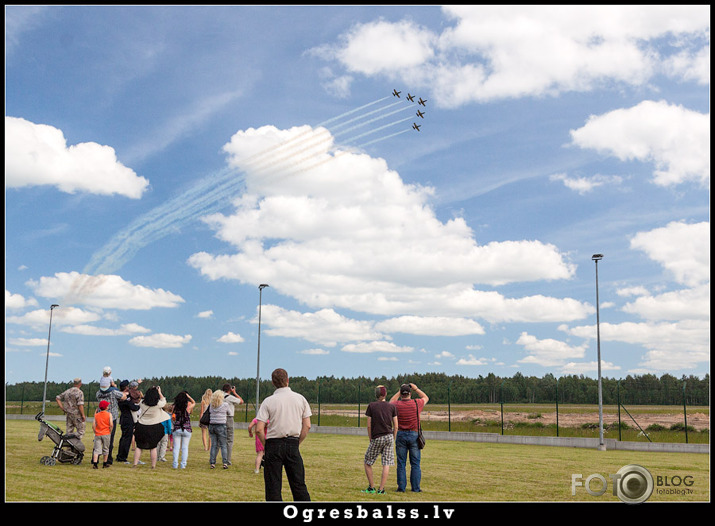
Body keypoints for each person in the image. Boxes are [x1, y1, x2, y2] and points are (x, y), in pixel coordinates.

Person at [255, 368, 312, 501]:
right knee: (298, 485)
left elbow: (259, 429)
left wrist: (266, 444)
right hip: (292, 442)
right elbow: (307, 425)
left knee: (273, 487)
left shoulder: (268, 401)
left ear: (273, 383)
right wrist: (297, 442)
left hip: (273, 444)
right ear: (287, 380)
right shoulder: (300, 399)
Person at [390, 383, 429, 493]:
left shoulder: (396, 404)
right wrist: (416, 388)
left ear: (401, 394)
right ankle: (416, 488)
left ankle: (401, 488)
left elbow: (391, 401)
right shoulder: (417, 403)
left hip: (401, 434)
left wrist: (400, 390)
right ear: (410, 394)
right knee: (415, 463)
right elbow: (426, 397)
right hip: (414, 435)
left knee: (401, 463)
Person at [363, 385, 398, 494]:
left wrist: (370, 438)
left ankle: (371, 487)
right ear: (385, 394)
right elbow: (396, 426)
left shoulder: (371, 406)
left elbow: (369, 425)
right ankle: (381, 489)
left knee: (367, 462)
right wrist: (393, 438)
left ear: (376, 394)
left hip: (377, 437)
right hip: (389, 437)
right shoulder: (392, 407)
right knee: (386, 463)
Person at [133, 386, 169, 468]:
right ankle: (153, 465)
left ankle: (135, 464)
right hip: (153, 427)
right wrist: (160, 392)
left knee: (139, 447)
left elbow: (141, 400)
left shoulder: (142, 403)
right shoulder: (158, 404)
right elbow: (164, 401)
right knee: (153, 447)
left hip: (141, 426)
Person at [96, 376, 127, 465]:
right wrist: (115, 386)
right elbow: (123, 396)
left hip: (100, 417)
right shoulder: (113, 392)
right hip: (111, 417)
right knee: (110, 439)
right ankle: (108, 459)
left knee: (98, 438)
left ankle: (95, 458)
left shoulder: (98, 393)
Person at [116, 380, 140, 464]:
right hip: (128, 419)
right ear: (126, 387)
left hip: (123, 418)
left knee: (123, 438)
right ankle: (122, 457)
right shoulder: (125, 398)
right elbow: (132, 407)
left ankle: (120, 455)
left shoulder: (119, 396)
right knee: (127, 438)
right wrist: (138, 407)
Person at [171, 391, 196, 469]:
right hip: (187, 428)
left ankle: (175, 464)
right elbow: (194, 402)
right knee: (185, 447)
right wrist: (189, 397)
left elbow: (172, 417)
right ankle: (183, 464)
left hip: (177, 428)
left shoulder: (174, 407)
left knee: (176, 447)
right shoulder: (188, 406)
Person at [221, 383, 244, 466]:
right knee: (229, 440)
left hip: (220, 418)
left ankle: (212, 459)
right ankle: (227, 460)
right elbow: (241, 401)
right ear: (229, 390)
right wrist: (234, 392)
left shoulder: (219, 397)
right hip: (229, 418)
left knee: (218, 440)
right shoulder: (230, 397)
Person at [208, 389, 231, 469]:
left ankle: (212, 463)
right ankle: (225, 462)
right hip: (221, 425)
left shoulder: (211, 405)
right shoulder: (225, 405)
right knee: (223, 445)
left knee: (214, 445)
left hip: (212, 425)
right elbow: (230, 413)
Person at [92, 400, 113, 468]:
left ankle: (95, 463)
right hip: (106, 433)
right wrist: (110, 430)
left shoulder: (96, 415)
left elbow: (93, 425)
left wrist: (95, 431)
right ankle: (105, 463)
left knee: (96, 449)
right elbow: (111, 424)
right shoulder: (109, 414)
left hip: (98, 434)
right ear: (106, 407)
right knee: (106, 448)